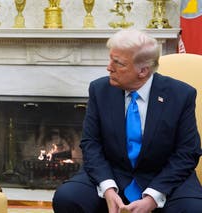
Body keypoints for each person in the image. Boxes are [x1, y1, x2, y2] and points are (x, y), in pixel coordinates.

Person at [52, 29, 202, 213]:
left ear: (143, 70)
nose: (109, 67)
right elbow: (91, 143)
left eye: (118, 63)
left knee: (193, 209)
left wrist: (153, 196)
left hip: (162, 174)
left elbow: (188, 152)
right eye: (110, 59)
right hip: (113, 172)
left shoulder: (180, 95)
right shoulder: (100, 90)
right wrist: (107, 187)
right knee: (68, 198)